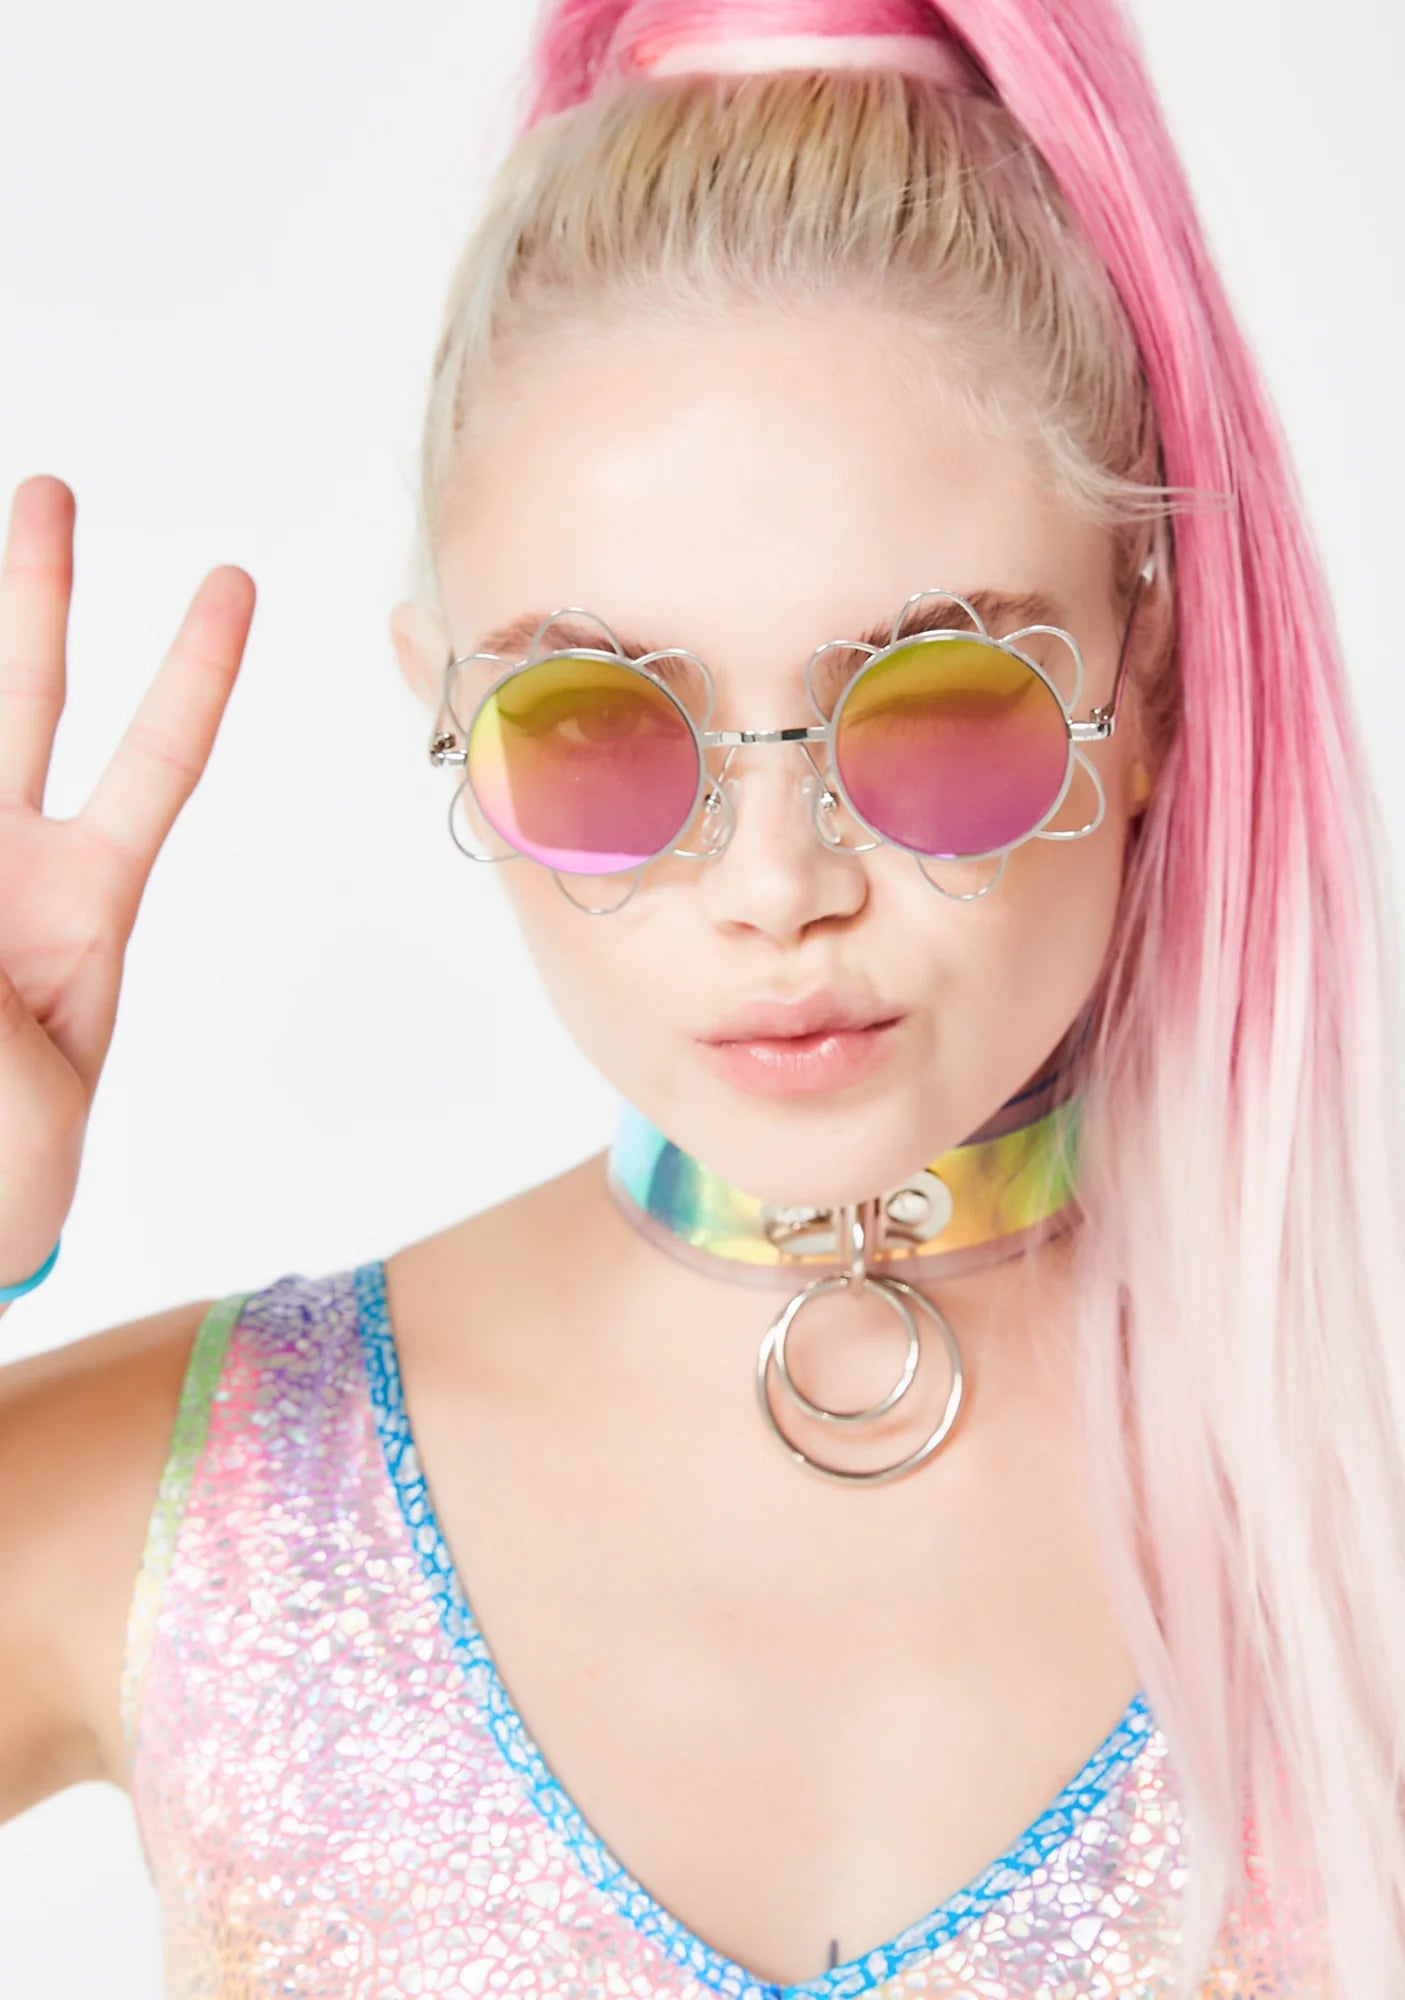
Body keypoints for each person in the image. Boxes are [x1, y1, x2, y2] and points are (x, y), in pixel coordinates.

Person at [0, 0, 1400, 1993]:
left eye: (939, 706)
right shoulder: (205, 1489)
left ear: (1151, 680)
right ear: (445, 713)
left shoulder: (1363, 1491)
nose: (775, 886)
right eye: (599, 729)